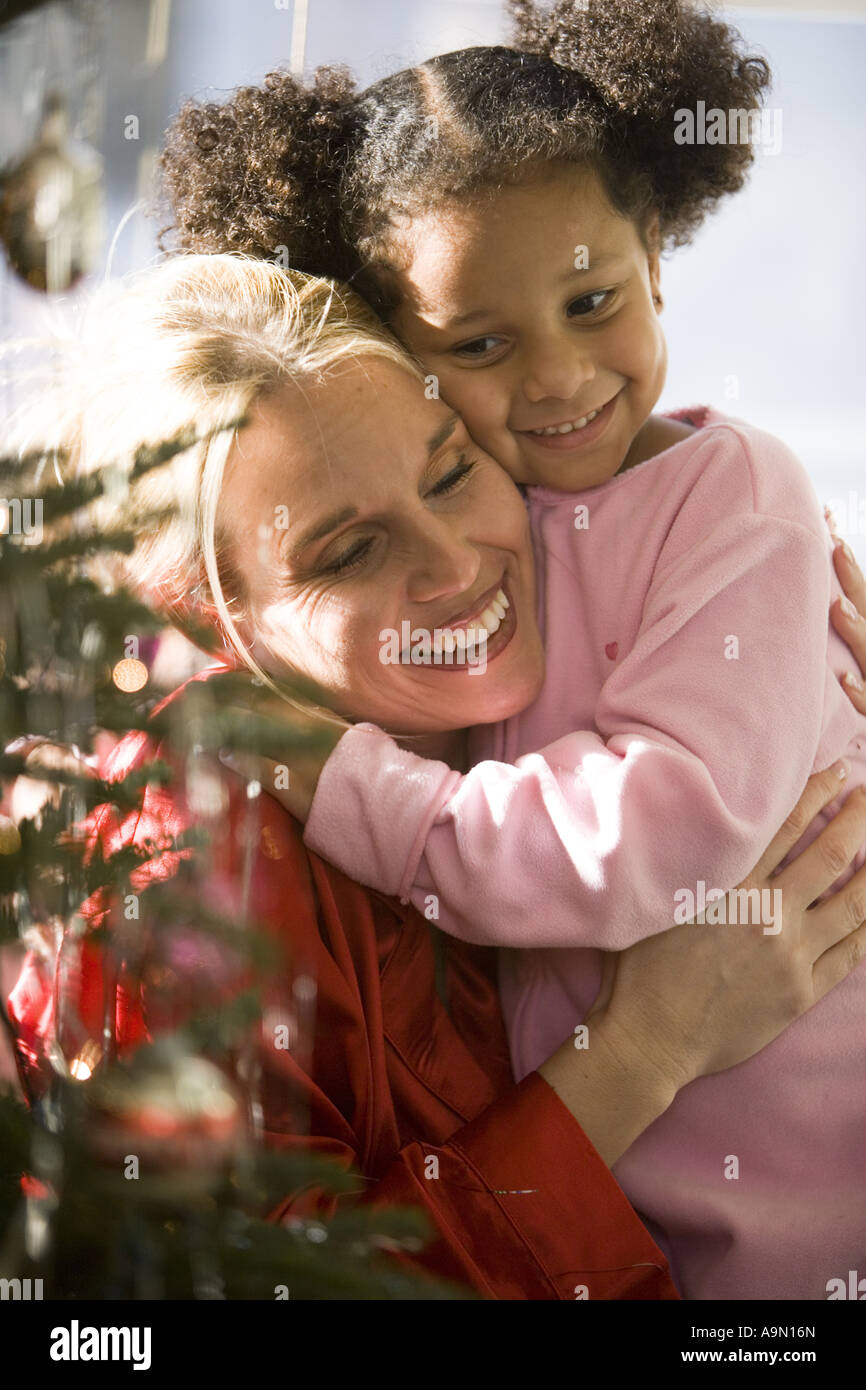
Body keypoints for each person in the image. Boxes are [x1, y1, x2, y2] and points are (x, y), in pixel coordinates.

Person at [158, 1, 866, 1297]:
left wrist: (361, 795)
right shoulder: (510, 508)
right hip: (622, 1225)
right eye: (477, 346)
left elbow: (657, 834)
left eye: (590, 300)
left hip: (793, 1218)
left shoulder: (738, 499)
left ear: (656, 259)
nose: (551, 380)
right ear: (402, 356)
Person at [7, 252, 866, 1301]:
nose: (455, 565)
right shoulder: (191, 868)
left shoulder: (590, 633)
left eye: (451, 472)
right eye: (348, 552)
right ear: (200, 618)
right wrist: (644, 1049)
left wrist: (800, 654)